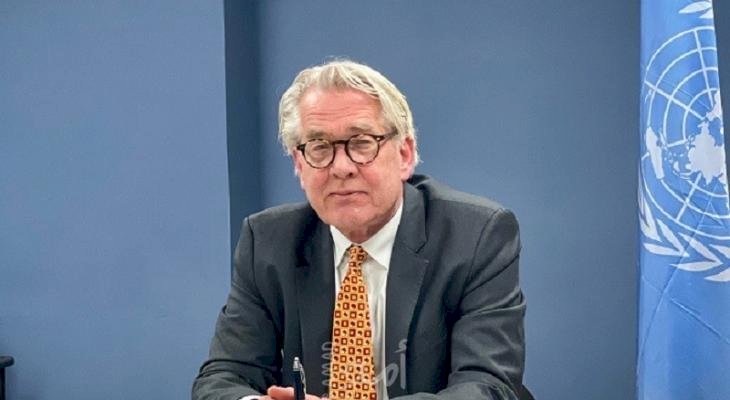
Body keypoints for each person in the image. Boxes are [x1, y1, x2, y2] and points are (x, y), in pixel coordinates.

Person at [192, 60, 526, 400]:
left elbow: (487, 387)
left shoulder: (475, 235)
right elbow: (221, 378)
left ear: (405, 155)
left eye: (362, 142)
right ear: (299, 164)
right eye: (319, 147)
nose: (341, 167)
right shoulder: (268, 242)